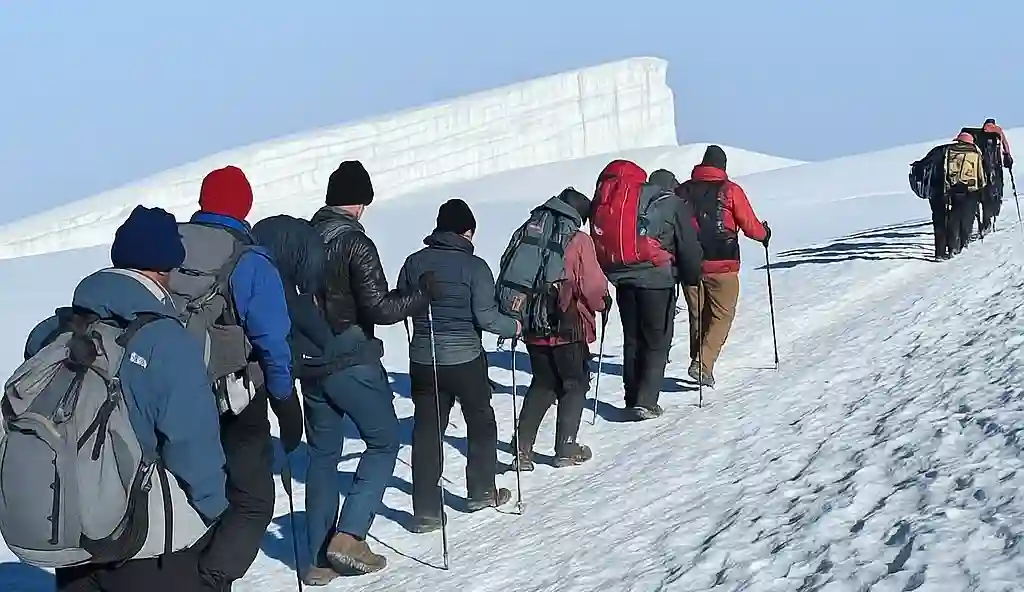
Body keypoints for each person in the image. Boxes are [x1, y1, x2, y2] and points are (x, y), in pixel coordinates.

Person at [29, 206, 229, 591]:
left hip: (69, 529)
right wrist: (214, 508)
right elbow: (192, 442)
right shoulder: (164, 340)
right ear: (165, 268)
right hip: (140, 543)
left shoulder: (57, 330)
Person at [170, 166, 301, 589]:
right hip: (235, 400)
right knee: (253, 501)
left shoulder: (168, 248)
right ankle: (210, 580)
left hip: (168, 394)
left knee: (189, 494)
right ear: (244, 207)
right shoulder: (249, 260)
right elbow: (273, 341)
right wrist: (285, 402)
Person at [303, 160, 435, 578]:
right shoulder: (355, 243)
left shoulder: (301, 239)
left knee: (322, 457)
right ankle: (350, 535)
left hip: (309, 363)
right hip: (351, 359)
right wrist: (419, 296)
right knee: (383, 442)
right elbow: (379, 307)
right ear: (360, 203)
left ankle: (315, 561)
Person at [396, 198, 520, 533]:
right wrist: (515, 328)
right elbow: (486, 317)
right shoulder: (475, 267)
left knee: (427, 432)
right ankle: (481, 490)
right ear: (467, 231)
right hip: (465, 359)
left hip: (424, 360)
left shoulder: (413, 262)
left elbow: (403, 304)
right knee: (480, 421)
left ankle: (425, 511)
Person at [591, 162, 703, 420]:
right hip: (656, 280)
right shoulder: (672, 203)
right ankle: (646, 400)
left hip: (622, 278)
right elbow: (688, 246)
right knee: (657, 340)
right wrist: (691, 276)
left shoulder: (625, 201)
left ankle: (631, 397)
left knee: (633, 338)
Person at [515, 188, 609, 469]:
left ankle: (522, 448)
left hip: (532, 323)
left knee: (543, 382)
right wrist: (602, 302)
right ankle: (565, 446)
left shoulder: (528, 231)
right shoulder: (578, 240)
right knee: (574, 382)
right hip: (566, 325)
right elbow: (590, 285)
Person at [677, 145, 770, 388]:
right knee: (721, 315)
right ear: (723, 167)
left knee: (698, 314)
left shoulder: (682, 191)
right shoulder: (730, 190)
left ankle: (698, 360)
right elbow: (750, 226)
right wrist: (765, 234)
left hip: (689, 264)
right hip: (722, 265)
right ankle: (703, 364)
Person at [943, 132, 987, 253]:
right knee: (968, 217)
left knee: (954, 218)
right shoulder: (974, 154)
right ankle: (964, 243)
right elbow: (980, 174)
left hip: (954, 189)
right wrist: (981, 188)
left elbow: (946, 171)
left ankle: (953, 246)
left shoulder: (950, 152)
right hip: (971, 190)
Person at [910, 143, 953, 259]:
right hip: (947, 191)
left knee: (938, 221)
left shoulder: (933, 154)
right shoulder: (950, 154)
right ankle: (950, 247)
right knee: (950, 219)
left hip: (933, 193)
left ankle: (939, 252)